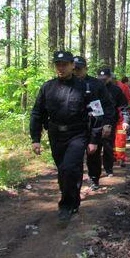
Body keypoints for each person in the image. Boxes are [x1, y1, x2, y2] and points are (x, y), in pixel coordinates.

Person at [30, 50, 104, 222]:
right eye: (58, 65)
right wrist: (35, 139)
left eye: (64, 65)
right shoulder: (47, 87)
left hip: (78, 134)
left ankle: (66, 205)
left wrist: (94, 139)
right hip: (56, 135)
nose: (61, 68)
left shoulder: (85, 88)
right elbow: (37, 113)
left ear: (72, 66)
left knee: (69, 168)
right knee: (64, 171)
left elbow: (97, 114)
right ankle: (74, 199)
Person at [73, 56, 116, 191]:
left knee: (93, 153)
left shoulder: (96, 84)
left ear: (86, 68)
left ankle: (93, 178)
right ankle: (74, 183)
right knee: (74, 156)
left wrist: (107, 123)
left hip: (93, 125)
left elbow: (108, 105)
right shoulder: (67, 83)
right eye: (74, 69)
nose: (76, 72)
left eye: (79, 69)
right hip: (74, 127)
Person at [97, 68, 130, 168]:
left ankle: (109, 168)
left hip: (111, 121)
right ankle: (94, 174)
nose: (103, 81)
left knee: (109, 146)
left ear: (110, 78)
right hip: (95, 122)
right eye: (100, 78)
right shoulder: (93, 88)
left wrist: (125, 120)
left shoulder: (116, 90)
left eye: (105, 79)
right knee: (95, 148)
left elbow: (124, 106)